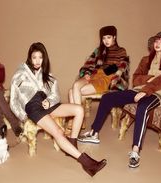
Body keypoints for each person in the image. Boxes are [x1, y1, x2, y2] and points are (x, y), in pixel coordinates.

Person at [78, 31, 161, 168]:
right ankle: (94, 132)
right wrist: (150, 79)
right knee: (107, 98)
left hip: (160, 93)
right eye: (156, 41)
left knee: (142, 107)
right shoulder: (146, 59)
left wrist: (146, 90)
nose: (158, 44)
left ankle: (135, 151)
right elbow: (136, 78)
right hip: (140, 90)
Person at [10, 42, 107, 177]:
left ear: (44, 58)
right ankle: (88, 164)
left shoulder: (47, 75)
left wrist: (49, 101)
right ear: (29, 58)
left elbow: (55, 95)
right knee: (58, 133)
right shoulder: (20, 74)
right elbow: (13, 100)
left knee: (79, 110)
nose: (37, 61)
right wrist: (24, 116)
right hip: (33, 108)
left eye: (40, 57)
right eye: (34, 57)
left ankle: (71, 146)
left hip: (47, 105)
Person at [68, 25, 129, 135]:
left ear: (114, 37)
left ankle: (76, 120)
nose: (106, 41)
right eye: (104, 38)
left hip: (106, 79)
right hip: (93, 75)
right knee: (75, 86)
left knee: (73, 92)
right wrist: (87, 73)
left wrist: (108, 72)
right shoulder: (99, 50)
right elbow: (89, 63)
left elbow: (120, 68)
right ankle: (78, 118)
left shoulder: (121, 51)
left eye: (108, 37)